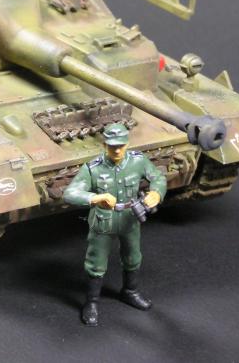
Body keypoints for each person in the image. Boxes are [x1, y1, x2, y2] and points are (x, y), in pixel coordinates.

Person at [63, 123, 167, 327]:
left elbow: (158, 177)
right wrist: (95, 198)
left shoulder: (138, 161)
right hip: (103, 220)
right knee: (96, 262)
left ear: (127, 144)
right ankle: (91, 302)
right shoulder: (93, 168)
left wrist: (156, 193)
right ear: (104, 145)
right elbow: (70, 193)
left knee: (133, 256)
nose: (117, 150)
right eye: (112, 146)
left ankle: (130, 291)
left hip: (130, 217)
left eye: (120, 145)